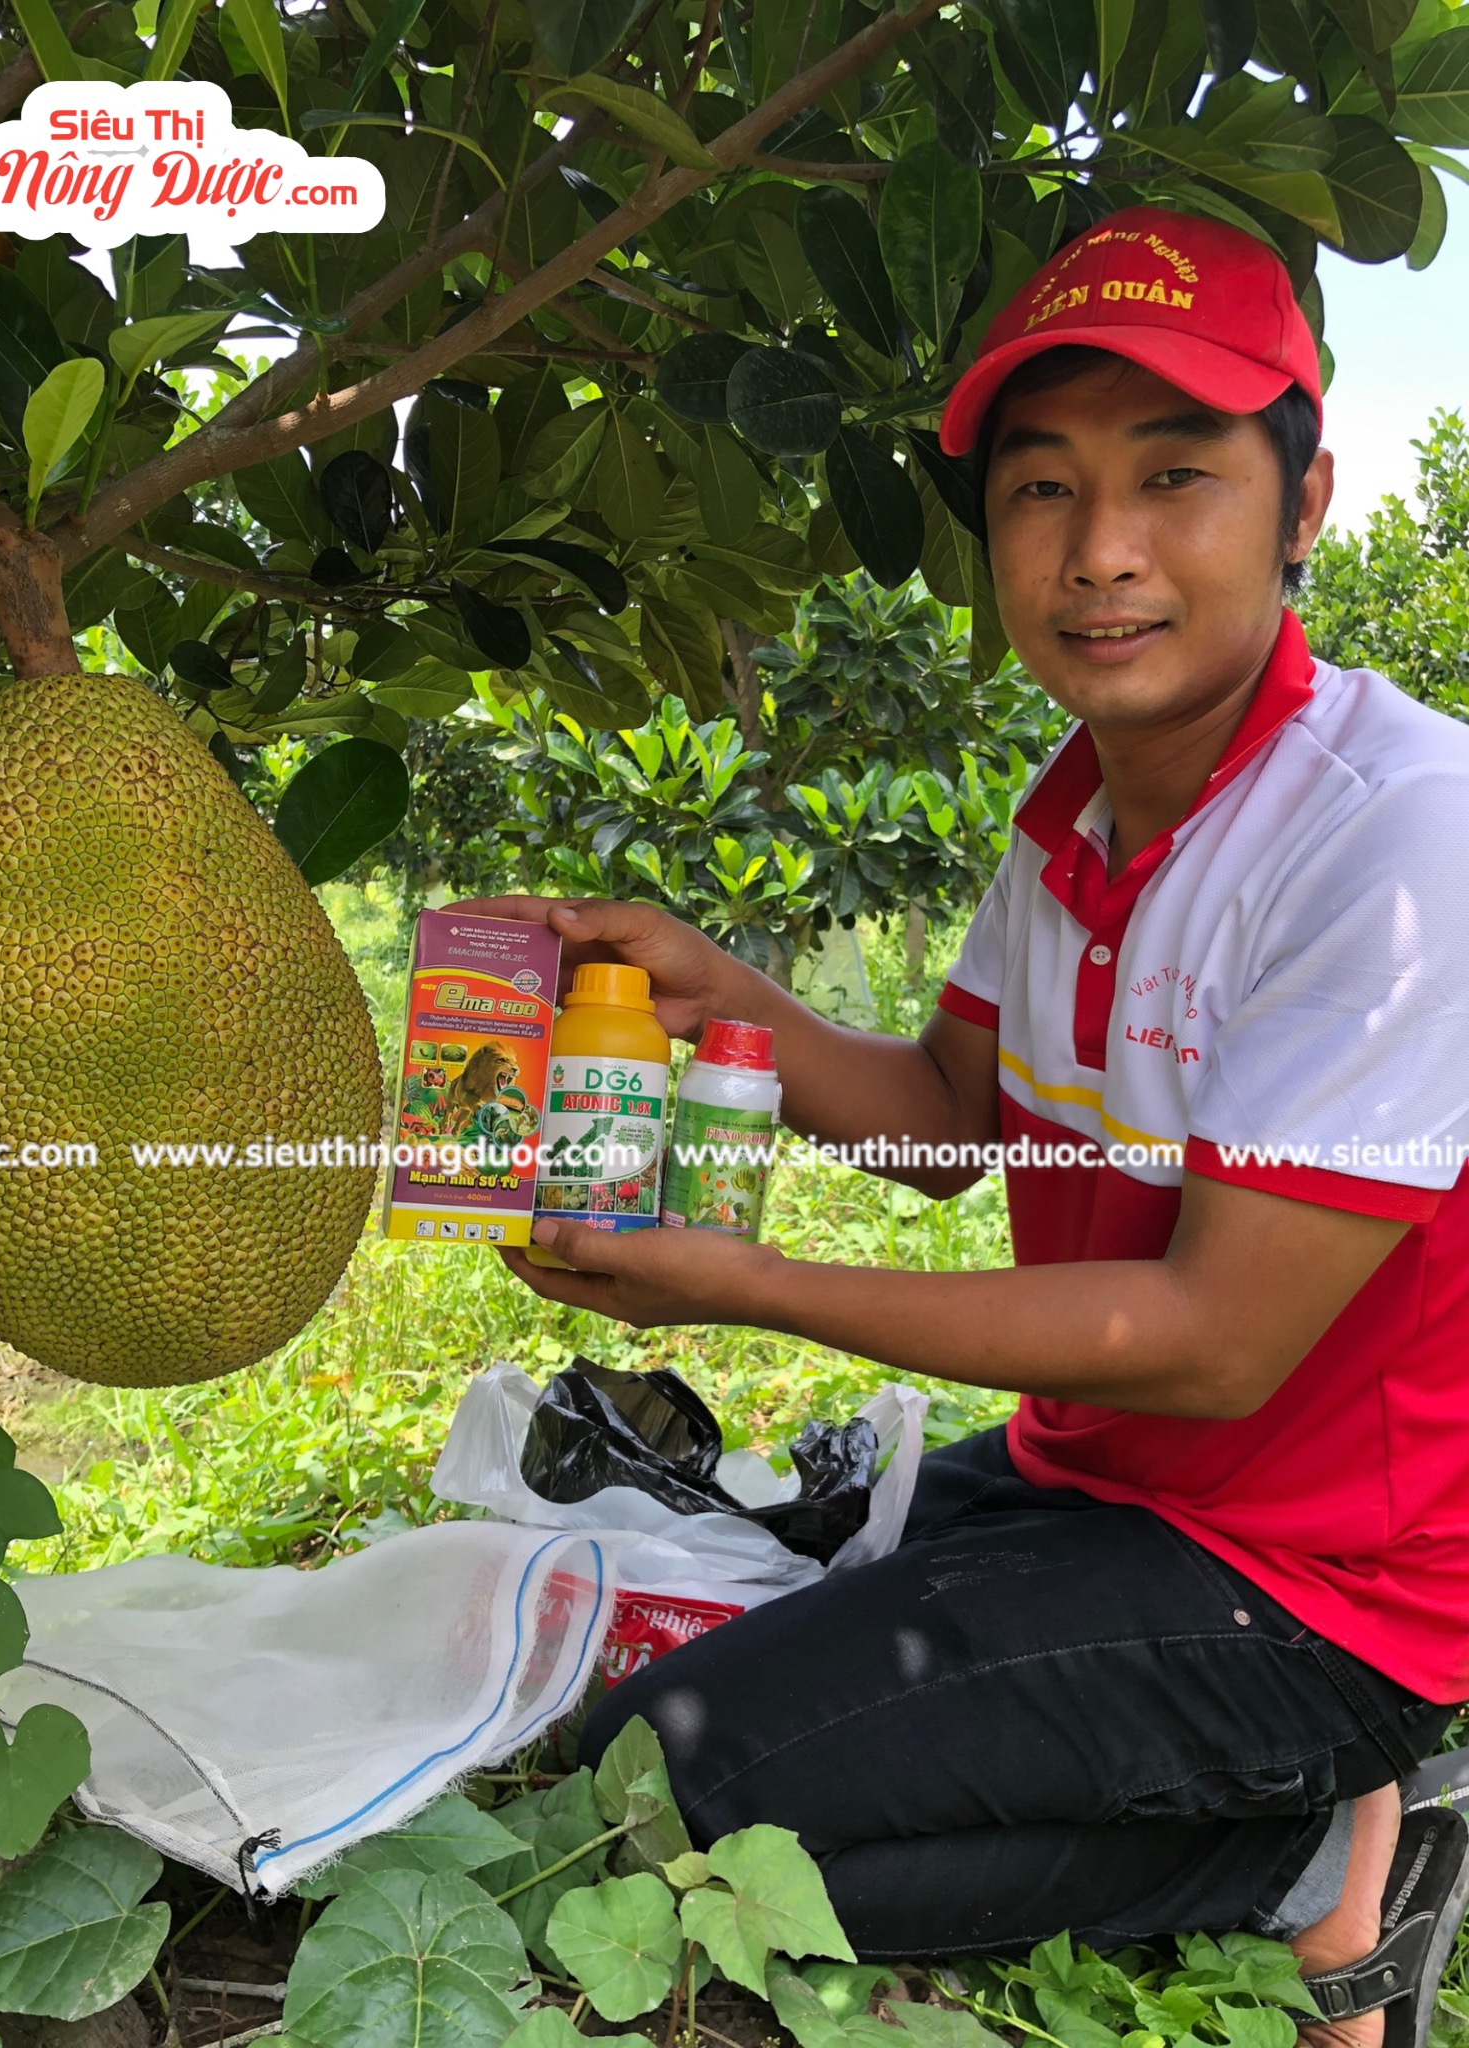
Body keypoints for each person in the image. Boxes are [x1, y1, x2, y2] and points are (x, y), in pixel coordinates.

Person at [464, 205, 1469, 2047]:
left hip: (1327, 1590)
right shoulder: (1071, 812)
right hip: (1110, 1489)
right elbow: (945, 1121)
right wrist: (720, 989)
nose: (1102, 555)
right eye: (1042, 491)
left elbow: (1218, 1341)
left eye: (1177, 480)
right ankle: (1248, 1826)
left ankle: (1310, 1853)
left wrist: (747, 1285)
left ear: (1302, 506)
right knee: (594, 1763)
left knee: (663, 1804)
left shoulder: (1402, 836)